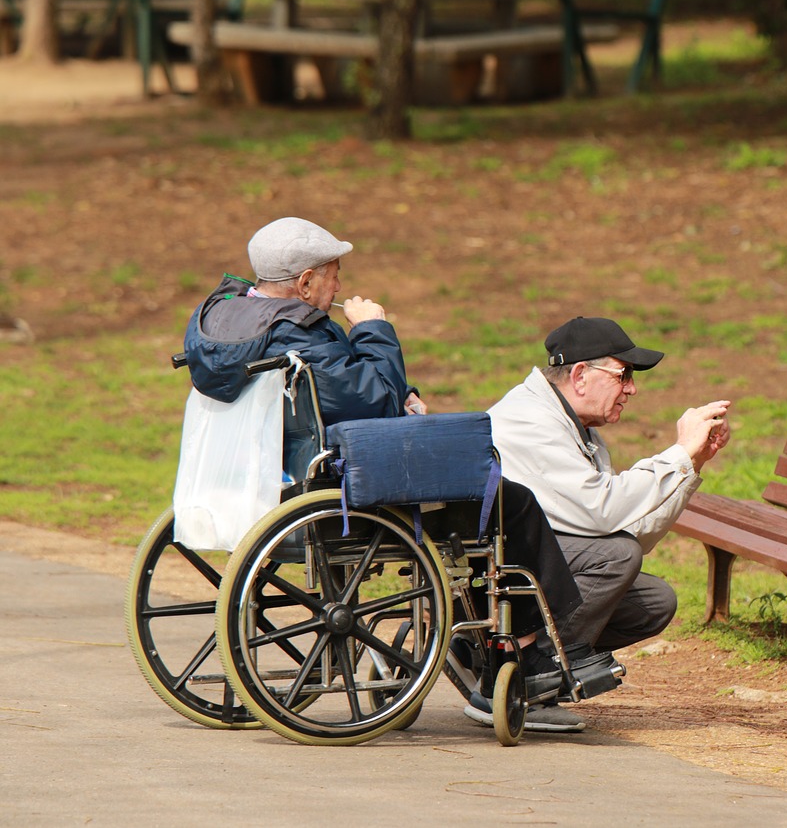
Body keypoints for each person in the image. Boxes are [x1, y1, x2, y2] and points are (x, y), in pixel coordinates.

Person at [182, 217, 605, 732]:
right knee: (507, 502)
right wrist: (373, 329)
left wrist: (394, 391)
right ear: (305, 281)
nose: (339, 286)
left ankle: (493, 649)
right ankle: (538, 653)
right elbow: (372, 398)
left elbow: (350, 392)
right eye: (334, 275)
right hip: (341, 493)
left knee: (480, 501)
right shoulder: (296, 330)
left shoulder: (227, 320)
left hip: (264, 485)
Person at [487, 316, 731, 657]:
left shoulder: (581, 428)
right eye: (624, 375)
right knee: (614, 557)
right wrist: (679, 453)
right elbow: (604, 513)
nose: (632, 389)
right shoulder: (532, 421)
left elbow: (633, 531)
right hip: (492, 566)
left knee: (653, 602)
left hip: (528, 556)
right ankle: (526, 669)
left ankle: (533, 668)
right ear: (580, 376)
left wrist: (693, 463)